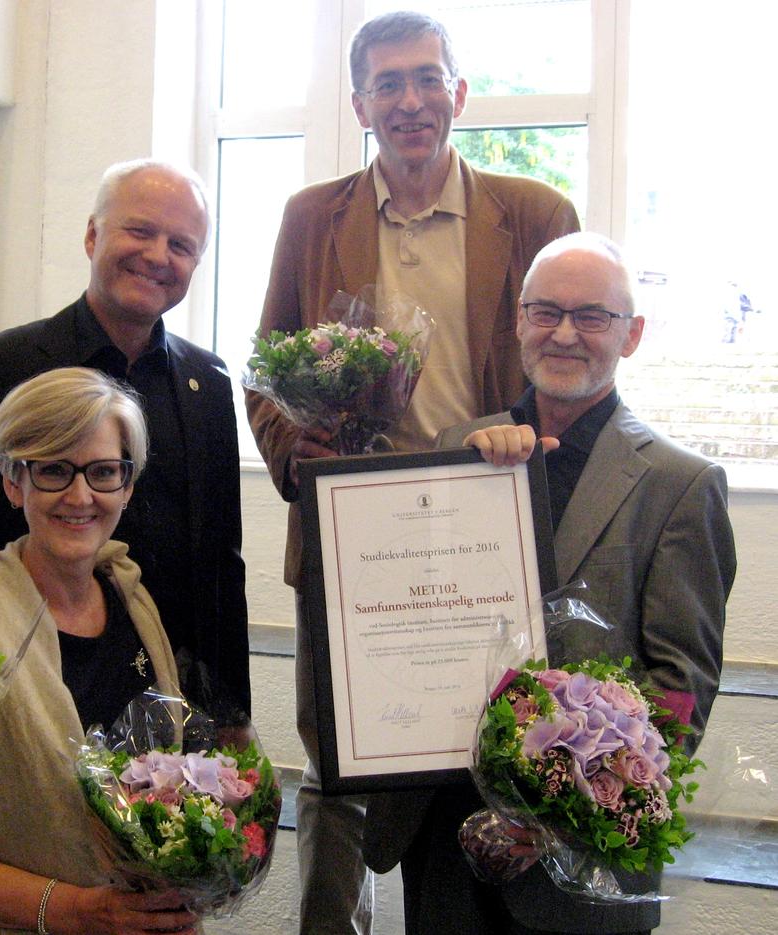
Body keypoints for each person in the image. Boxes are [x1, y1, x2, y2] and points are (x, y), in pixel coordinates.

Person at [244, 11, 581, 933]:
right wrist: (293, 449)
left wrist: (516, 438)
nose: (411, 100)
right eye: (388, 83)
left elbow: (564, 362)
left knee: (490, 756)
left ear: (459, 94)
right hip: (352, 543)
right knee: (340, 766)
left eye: (428, 78)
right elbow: (264, 371)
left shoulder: (536, 214)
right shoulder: (311, 218)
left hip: (491, 535)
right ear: (360, 104)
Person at [364, 232, 736, 934]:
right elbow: (395, 619)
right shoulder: (455, 449)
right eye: (546, 311)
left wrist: (566, 807)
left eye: (592, 316)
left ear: (632, 335)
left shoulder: (682, 486)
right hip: (439, 832)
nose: (565, 333)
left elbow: (680, 688)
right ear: (519, 322)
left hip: (575, 861)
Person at [0, 158, 249, 718]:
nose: (159, 256)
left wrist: (233, 713)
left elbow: (220, 566)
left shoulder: (207, 382)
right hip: (27, 678)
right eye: (139, 231)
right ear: (92, 234)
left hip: (166, 692)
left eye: (181, 245)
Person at [0, 367, 196, 935]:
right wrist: (80, 914)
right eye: (54, 470)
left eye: (104, 471)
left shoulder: (136, 602)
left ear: (128, 483)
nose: (81, 495)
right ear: (14, 482)